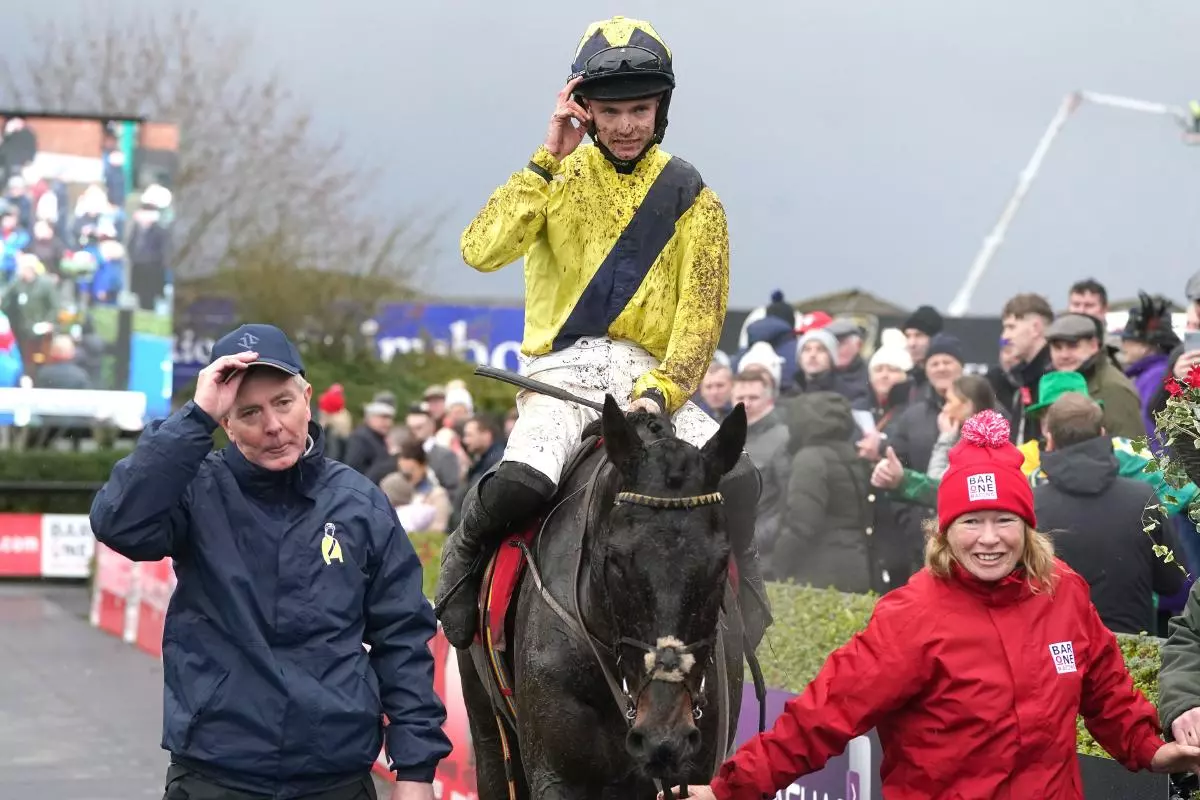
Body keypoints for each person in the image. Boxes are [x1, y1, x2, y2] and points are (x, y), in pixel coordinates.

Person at [439, 15, 769, 650]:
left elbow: (701, 322)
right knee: (522, 485)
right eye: (610, 110)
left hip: (651, 379)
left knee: (741, 479)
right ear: (582, 107)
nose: (625, 126)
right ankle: (462, 557)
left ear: (660, 107)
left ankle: (742, 572)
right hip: (561, 379)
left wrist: (660, 393)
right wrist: (546, 158)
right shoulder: (554, 174)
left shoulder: (694, 197)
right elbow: (480, 250)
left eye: (640, 109)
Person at [668, 410, 1200, 800]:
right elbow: (822, 716)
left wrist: (1151, 750)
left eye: (1004, 520)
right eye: (971, 521)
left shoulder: (1064, 592)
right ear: (944, 531)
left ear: (1027, 526)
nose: (989, 539)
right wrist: (727, 790)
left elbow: (1108, 694)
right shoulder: (913, 615)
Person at [89, 324, 450, 800]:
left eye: (283, 402)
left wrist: (415, 770)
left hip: (334, 775)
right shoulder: (197, 491)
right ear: (226, 423)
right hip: (215, 773)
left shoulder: (359, 503)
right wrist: (194, 417)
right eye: (249, 412)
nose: (274, 425)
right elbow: (119, 522)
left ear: (307, 397)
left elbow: (402, 636)